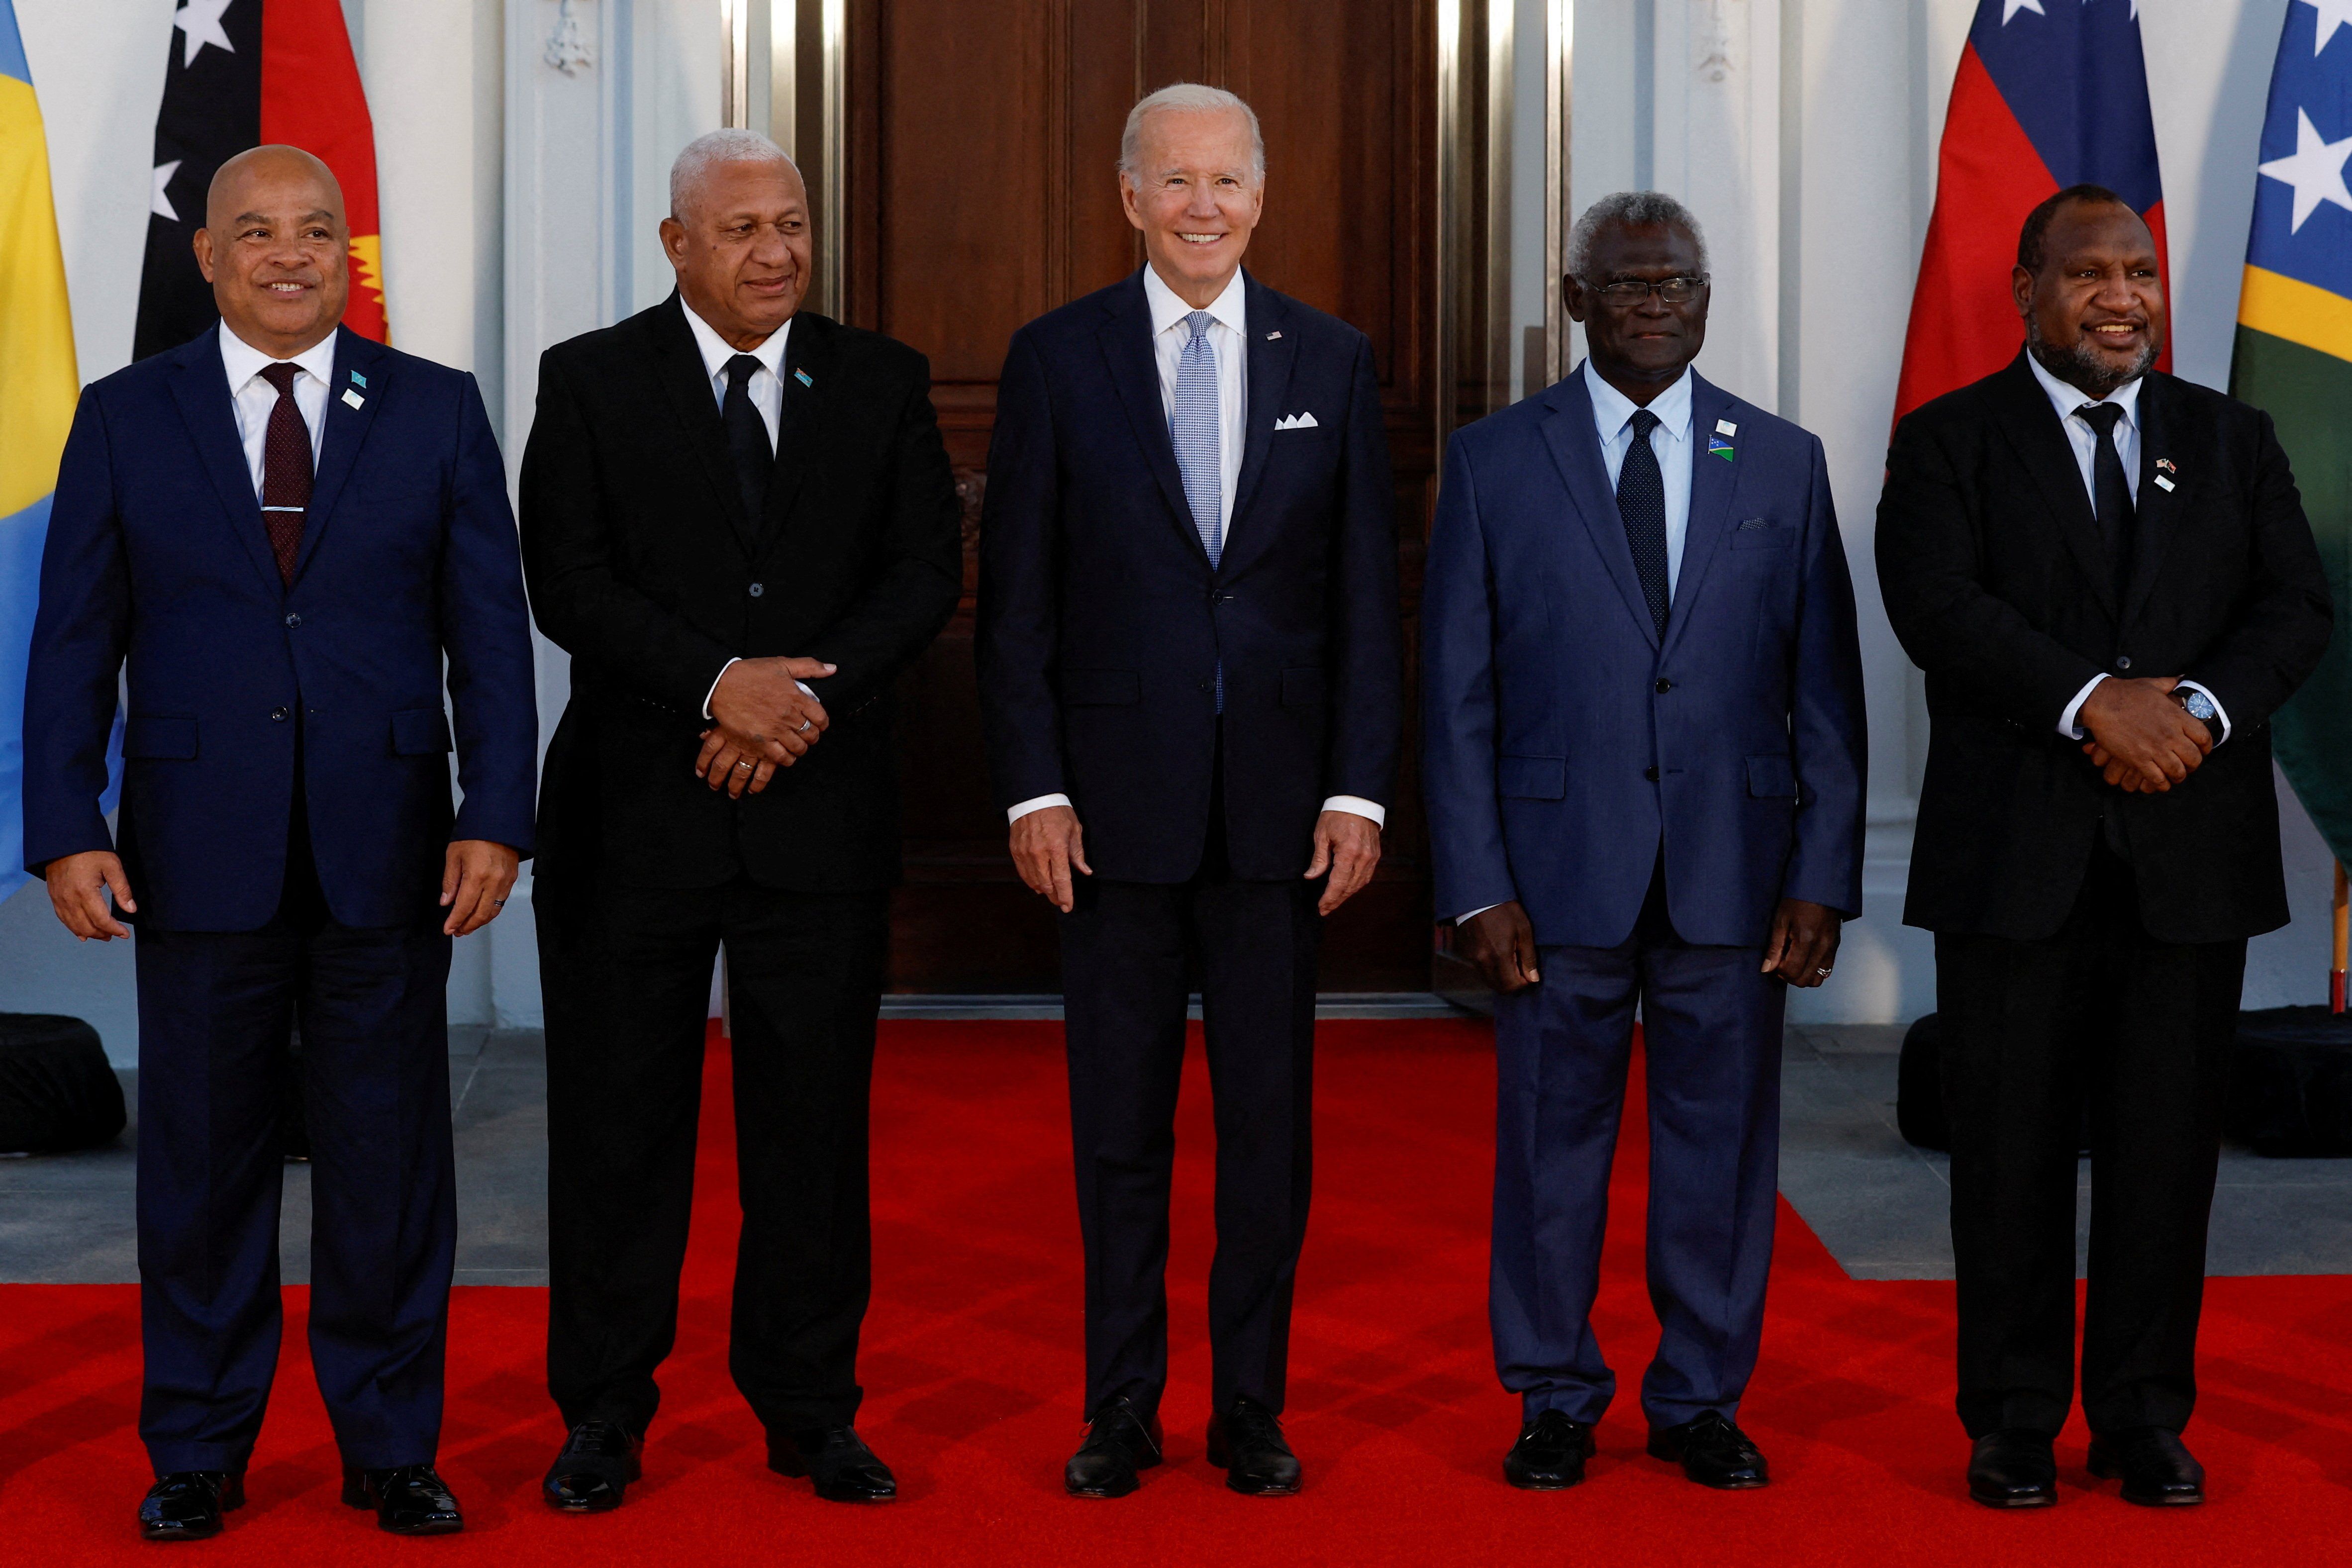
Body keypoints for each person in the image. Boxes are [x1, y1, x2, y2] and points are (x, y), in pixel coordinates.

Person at [23, 146, 538, 1541]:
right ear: (208, 255)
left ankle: (389, 1448)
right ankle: (196, 1448)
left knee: (388, 1164)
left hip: (391, 848)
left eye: (318, 231)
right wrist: (64, 824)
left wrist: (498, 812)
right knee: (200, 1165)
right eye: (258, 233)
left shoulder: (434, 411)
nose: (291, 254)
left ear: (346, 254)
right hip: (196, 847)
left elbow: (487, 636)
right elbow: (75, 637)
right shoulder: (129, 417)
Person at [520, 129, 960, 1512]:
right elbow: (568, 580)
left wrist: (792, 707)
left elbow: (924, 574)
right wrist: (720, 687)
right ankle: (604, 1415)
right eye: (744, 229)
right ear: (676, 245)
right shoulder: (590, 381)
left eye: (793, 223)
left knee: (812, 1140)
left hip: (816, 823)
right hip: (633, 825)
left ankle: (811, 1410)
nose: (777, 251)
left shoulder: (879, 381)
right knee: (617, 1136)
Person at [975, 83, 1400, 1499]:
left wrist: (1361, 791)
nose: (1202, 204)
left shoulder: (1331, 362)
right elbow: (1017, 606)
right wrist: (1034, 789)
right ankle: (1118, 1407)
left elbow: (1362, 605)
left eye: (1226, 180)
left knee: (1269, 1130)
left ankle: (1250, 1409)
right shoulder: (1055, 360)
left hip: (1284, 820)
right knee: (1121, 1130)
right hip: (1110, 816)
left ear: (1262, 196)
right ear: (1129, 196)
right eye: (1175, 181)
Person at [1876, 184, 2331, 1510]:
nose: (2123, 296)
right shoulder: (1949, 440)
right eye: (2089, 273)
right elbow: (1936, 605)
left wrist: (2192, 709)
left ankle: (2142, 1416)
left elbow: (2295, 605)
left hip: (2187, 855)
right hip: (2015, 857)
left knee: (2165, 1151)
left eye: (2139, 271)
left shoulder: (2229, 439)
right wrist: (2095, 704)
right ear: (2026, 291)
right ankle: (2012, 1421)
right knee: (2007, 1150)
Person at [1421, 191, 1867, 1494]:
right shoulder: (1498, 460)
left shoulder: (1780, 460)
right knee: (1550, 1153)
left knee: (1722, 1153)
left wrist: (1823, 876)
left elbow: (1825, 691)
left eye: (1678, 281)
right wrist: (1475, 882)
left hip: (1735, 874)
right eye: (1627, 285)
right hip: (1554, 878)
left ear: (1707, 298)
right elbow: (1455, 695)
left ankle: (1698, 1399)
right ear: (1578, 303)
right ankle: (1553, 1394)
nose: (1657, 301)